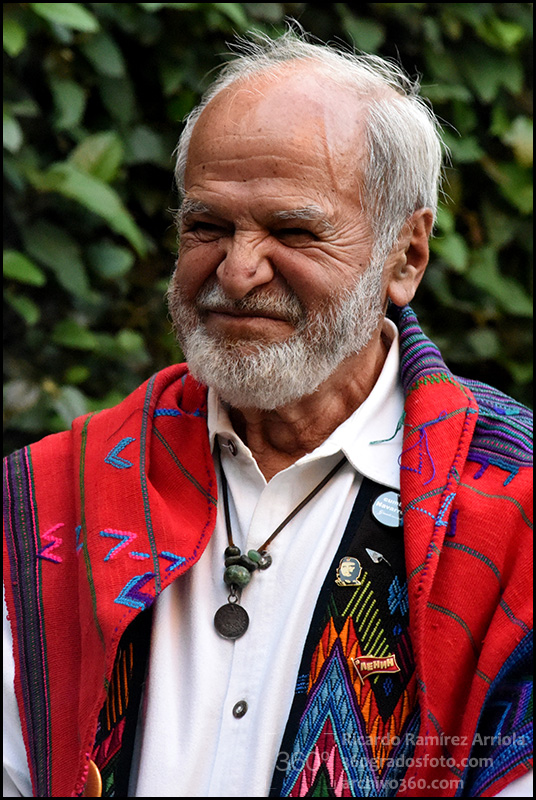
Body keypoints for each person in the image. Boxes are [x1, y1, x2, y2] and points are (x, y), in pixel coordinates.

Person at [3, 27, 533, 799]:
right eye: (207, 227)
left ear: (406, 255)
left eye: (293, 231)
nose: (238, 270)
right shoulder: (52, 495)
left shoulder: (515, 516)